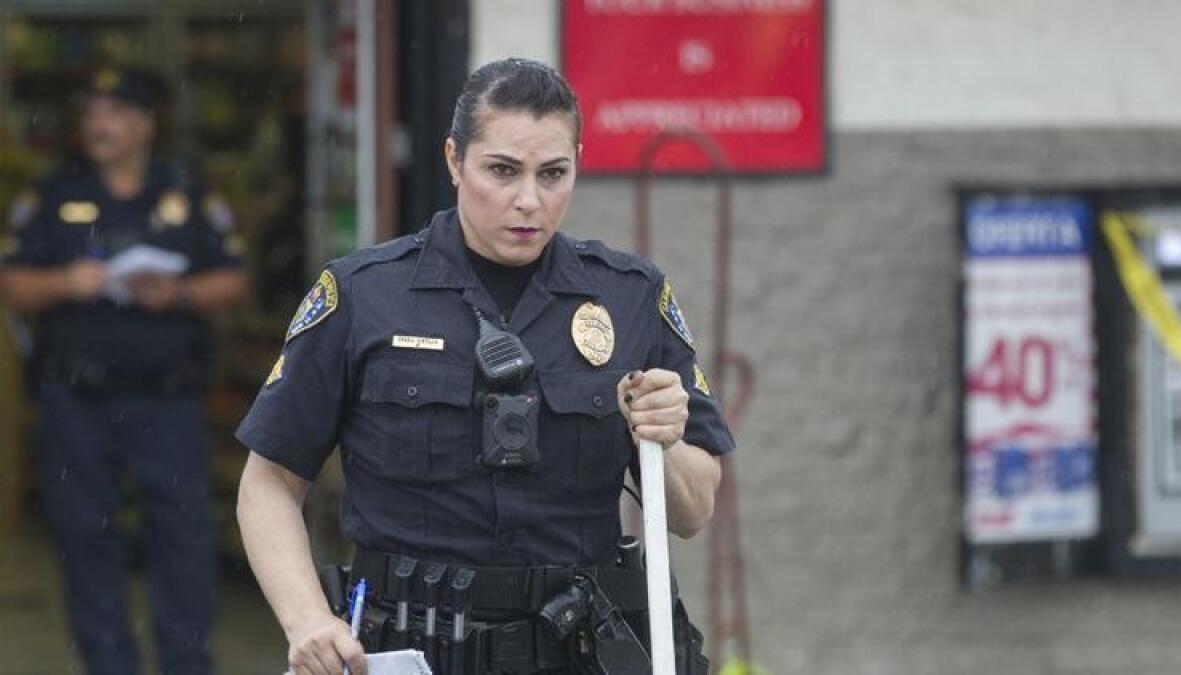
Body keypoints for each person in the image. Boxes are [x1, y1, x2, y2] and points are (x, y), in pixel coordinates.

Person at [235, 58, 733, 675]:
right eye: (502, 170)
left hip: (574, 651)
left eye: (554, 173)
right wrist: (307, 619)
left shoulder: (630, 297)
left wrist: (669, 437)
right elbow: (269, 483)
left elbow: (692, 512)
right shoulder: (363, 295)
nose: (529, 200)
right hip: (410, 651)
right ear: (453, 159)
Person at [0, 67, 249, 675]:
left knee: (183, 540)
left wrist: (180, 294)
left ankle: (187, 663)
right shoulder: (53, 195)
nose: (97, 125)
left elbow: (235, 279)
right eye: (91, 113)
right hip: (76, 400)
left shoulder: (185, 193)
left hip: (168, 400)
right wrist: (68, 281)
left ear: (146, 124)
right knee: (86, 539)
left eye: (112, 113)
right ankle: (109, 664)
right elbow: (11, 282)